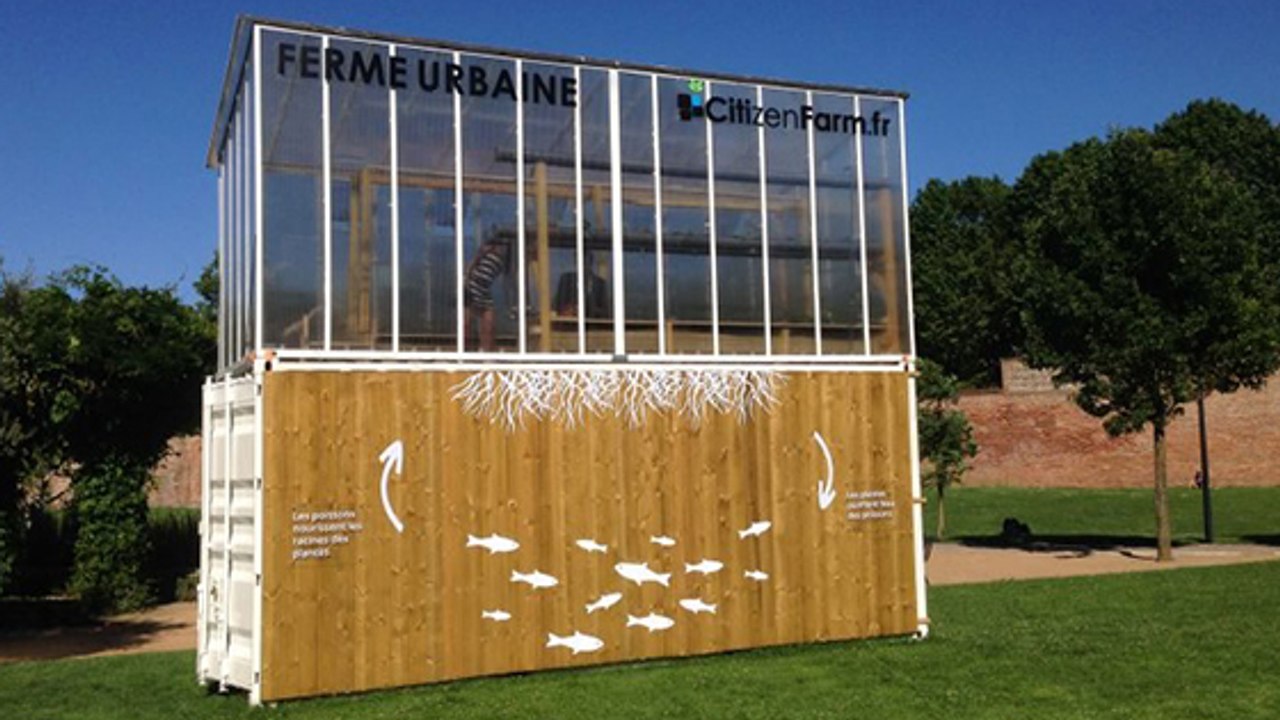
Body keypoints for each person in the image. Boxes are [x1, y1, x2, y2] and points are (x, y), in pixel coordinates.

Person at [464, 237, 511, 351]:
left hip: (484, 288)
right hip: (473, 284)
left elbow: (507, 275)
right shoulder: (488, 251)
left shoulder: (506, 258)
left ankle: (486, 349)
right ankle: (464, 349)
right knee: (467, 320)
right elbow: (474, 262)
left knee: (489, 322)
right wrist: (466, 278)